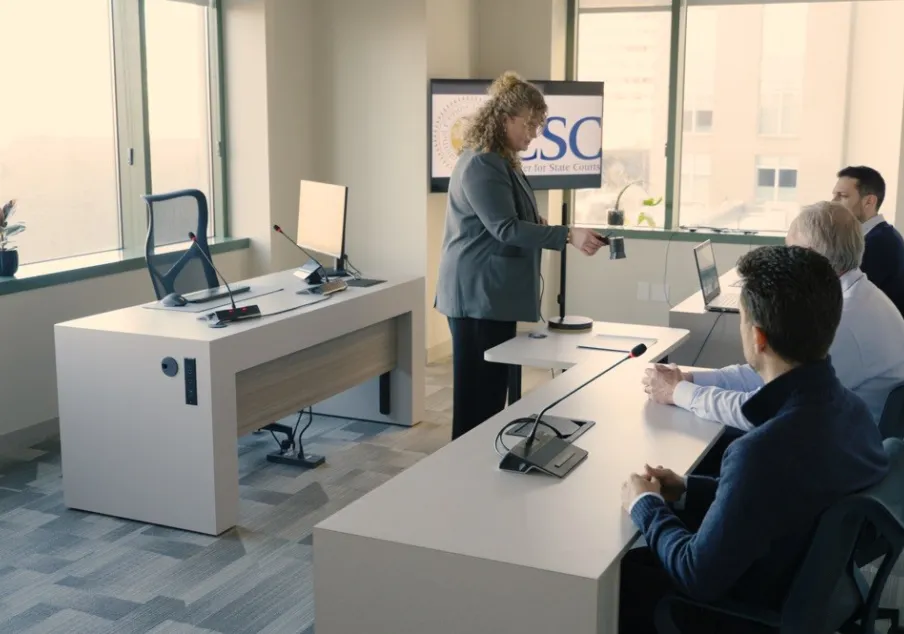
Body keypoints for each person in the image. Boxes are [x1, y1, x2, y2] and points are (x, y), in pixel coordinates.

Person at [619, 245, 889, 634]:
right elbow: (782, 496)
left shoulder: (760, 452)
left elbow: (696, 575)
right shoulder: (853, 413)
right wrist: (688, 488)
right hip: (814, 591)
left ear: (758, 337)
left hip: (750, 609)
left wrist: (644, 504)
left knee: (627, 573)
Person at [434, 71, 607, 440]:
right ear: (505, 118)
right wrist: (566, 236)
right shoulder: (482, 163)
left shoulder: (501, 160)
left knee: (491, 394)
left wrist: (555, 228)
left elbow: (516, 217)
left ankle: (482, 465)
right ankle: (465, 476)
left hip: (492, 296)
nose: (533, 133)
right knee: (477, 400)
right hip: (477, 296)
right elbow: (505, 229)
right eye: (529, 124)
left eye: (538, 125)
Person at [643, 201, 904, 431]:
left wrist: (679, 392)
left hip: (834, 455)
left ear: (810, 256)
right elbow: (772, 373)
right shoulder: (856, 296)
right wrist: (692, 379)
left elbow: (760, 409)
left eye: (790, 250)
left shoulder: (843, 322)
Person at [833, 165, 904, 316]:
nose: (834, 202)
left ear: (869, 201)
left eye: (843, 196)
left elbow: (843, 298)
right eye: (835, 195)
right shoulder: (877, 236)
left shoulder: (881, 243)